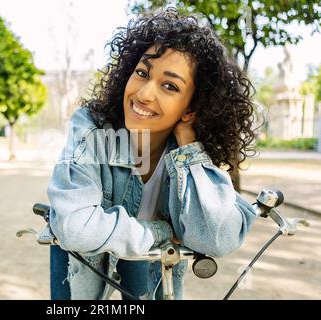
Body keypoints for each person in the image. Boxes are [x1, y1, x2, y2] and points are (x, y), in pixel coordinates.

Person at [46, 7, 258, 300]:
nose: (144, 93)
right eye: (142, 73)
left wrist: (187, 144)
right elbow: (75, 228)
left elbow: (216, 237)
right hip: (83, 262)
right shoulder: (92, 128)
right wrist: (158, 231)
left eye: (169, 86)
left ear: (192, 108)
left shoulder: (190, 152)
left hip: (150, 262)